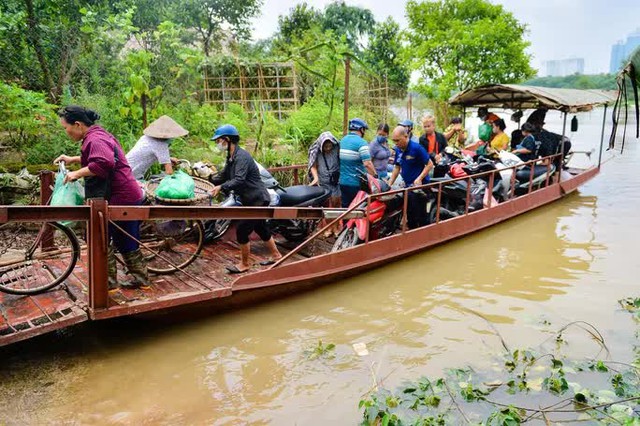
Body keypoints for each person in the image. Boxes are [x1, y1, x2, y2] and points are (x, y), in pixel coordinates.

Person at [54, 105, 147, 290]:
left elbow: (103, 163)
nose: (66, 132)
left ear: (78, 124)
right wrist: (73, 159)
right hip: (119, 194)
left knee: (105, 237)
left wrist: (77, 174)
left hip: (122, 196)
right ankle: (124, 280)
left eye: (66, 127)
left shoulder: (95, 138)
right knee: (110, 237)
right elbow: (97, 157)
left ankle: (116, 282)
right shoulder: (96, 135)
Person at [209, 124, 282, 274]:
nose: (218, 144)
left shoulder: (242, 157)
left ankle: (245, 264)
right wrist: (209, 178)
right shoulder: (231, 156)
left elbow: (239, 180)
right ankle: (276, 255)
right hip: (250, 199)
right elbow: (224, 175)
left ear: (227, 140)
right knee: (261, 228)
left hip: (257, 199)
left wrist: (221, 187)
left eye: (219, 140)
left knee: (242, 230)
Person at [388, 126, 433, 229]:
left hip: (420, 188)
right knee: (410, 215)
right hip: (408, 187)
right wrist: (389, 184)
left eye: (398, 140)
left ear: (406, 136)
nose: (396, 143)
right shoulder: (398, 150)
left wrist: (419, 178)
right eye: (394, 141)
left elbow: (430, 164)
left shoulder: (417, 148)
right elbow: (397, 167)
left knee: (421, 216)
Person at [126, 115, 188, 181]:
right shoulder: (161, 145)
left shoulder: (145, 137)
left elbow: (147, 154)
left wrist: (169, 159)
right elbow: (169, 173)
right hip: (130, 177)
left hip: (123, 168)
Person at [308, 131, 341, 236]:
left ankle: (335, 227)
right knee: (326, 205)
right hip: (323, 180)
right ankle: (328, 228)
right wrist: (316, 178)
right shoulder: (316, 150)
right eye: (325, 147)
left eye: (329, 146)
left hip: (336, 180)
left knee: (336, 204)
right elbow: (312, 165)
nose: (328, 148)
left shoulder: (337, 147)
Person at [338, 118, 377, 207]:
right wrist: (375, 175)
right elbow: (367, 164)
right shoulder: (361, 143)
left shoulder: (342, 140)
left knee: (345, 208)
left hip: (342, 182)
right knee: (357, 209)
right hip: (355, 183)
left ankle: (344, 221)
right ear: (361, 129)